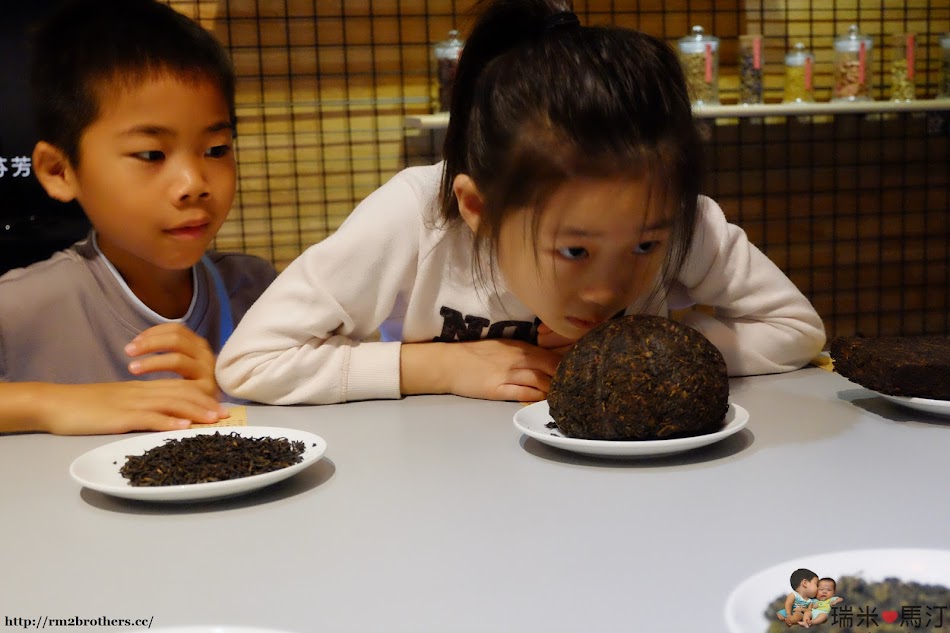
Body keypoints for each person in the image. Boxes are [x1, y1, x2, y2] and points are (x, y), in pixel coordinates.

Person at [215, 0, 826, 405]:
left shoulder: (675, 214)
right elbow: (250, 363)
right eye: (574, 249)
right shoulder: (415, 218)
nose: (606, 289)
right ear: (478, 209)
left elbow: (796, 331)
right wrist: (442, 369)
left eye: (644, 246)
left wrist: (642, 349)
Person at [0, 0, 276, 434]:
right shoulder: (20, 307)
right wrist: (50, 403)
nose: (193, 183)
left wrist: (235, 386)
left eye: (216, 150)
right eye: (151, 154)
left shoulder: (255, 289)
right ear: (59, 171)